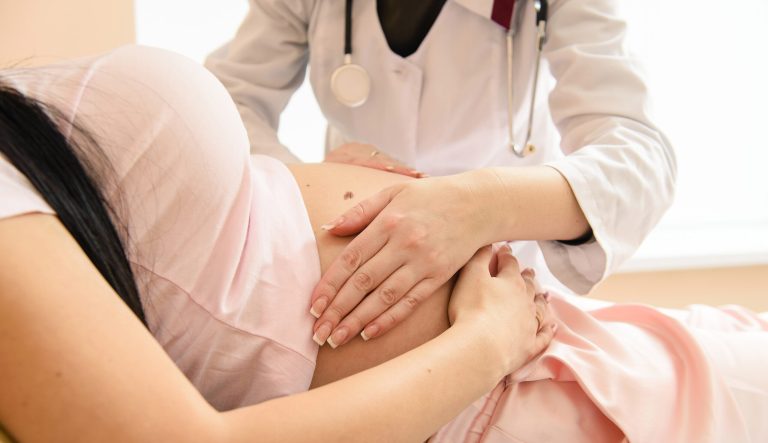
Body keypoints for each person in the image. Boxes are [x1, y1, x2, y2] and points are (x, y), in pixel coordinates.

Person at [2, 46, 766, 442]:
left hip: (551, 343)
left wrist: (295, 173)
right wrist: (486, 341)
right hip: (488, 401)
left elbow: (640, 156)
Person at [205, 0, 678, 347]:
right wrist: (306, 180)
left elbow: (640, 159)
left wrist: (482, 205)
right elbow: (223, 99)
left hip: (503, 277)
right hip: (350, 263)